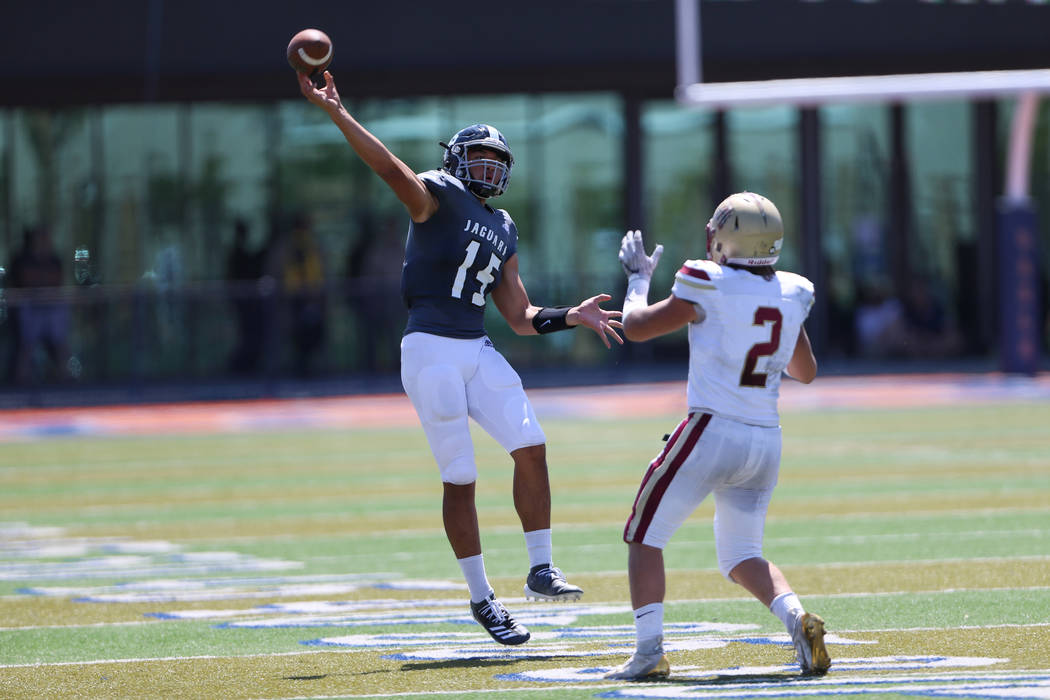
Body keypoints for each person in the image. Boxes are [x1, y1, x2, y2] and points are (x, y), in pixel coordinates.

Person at [298, 69, 624, 646]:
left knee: (531, 445)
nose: (490, 166)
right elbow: (387, 168)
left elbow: (521, 318)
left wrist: (572, 315)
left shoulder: (504, 226)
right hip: (430, 349)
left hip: (477, 345)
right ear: (454, 159)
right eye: (478, 155)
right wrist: (338, 113)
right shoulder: (436, 196)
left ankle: (541, 568)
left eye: (497, 159)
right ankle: (481, 597)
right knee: (462, 477)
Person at [605, 192, 830, 680]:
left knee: (644, 534)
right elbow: (805, 371)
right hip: (765, 440)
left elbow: (637, 327)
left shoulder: (707, 280)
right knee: (741, 554)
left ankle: (648, 652)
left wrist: (638, 280)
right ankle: (798, 621)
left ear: (725, 238)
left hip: (712, 429)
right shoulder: (792, 290)